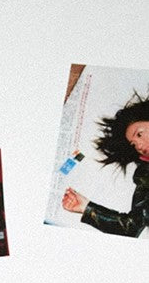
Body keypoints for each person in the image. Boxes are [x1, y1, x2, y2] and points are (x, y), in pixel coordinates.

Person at [62, 94, 149, 236]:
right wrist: (86, 208)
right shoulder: (145, 176)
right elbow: (131, 226)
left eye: (139, 134)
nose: (138, 145)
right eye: (133, 145)